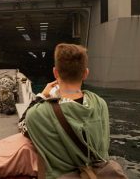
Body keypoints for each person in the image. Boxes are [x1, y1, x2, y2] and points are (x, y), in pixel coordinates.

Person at [20, 43, 110, 178]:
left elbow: (22, 124)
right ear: (85, 73)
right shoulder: (100, 104)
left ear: (55, 72)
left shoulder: (38, 114)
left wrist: (41, 96)